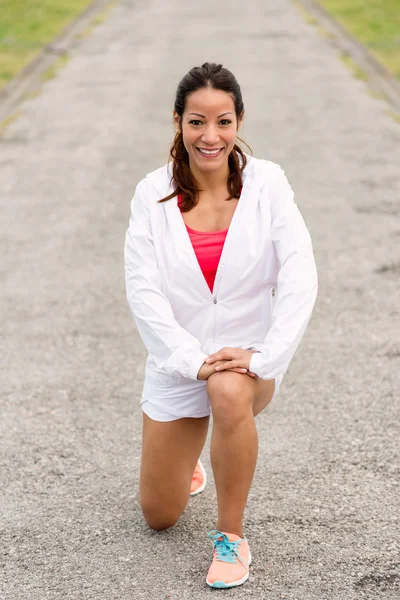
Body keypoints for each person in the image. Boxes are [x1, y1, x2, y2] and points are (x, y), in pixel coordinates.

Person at [124, 62, 318, 589]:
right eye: (196, 122)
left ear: (239, 122)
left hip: (246, 358)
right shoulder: (151, 193)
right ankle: (187, 465)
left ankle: (231, 539)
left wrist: (267, 355)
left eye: (223, 121)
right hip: (176, 363)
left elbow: (301, 271)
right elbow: (143, 293)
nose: (210, 136)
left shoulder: (268, 183)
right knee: (159, 516)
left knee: (229, 391)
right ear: (177, 122)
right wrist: (191, 360)